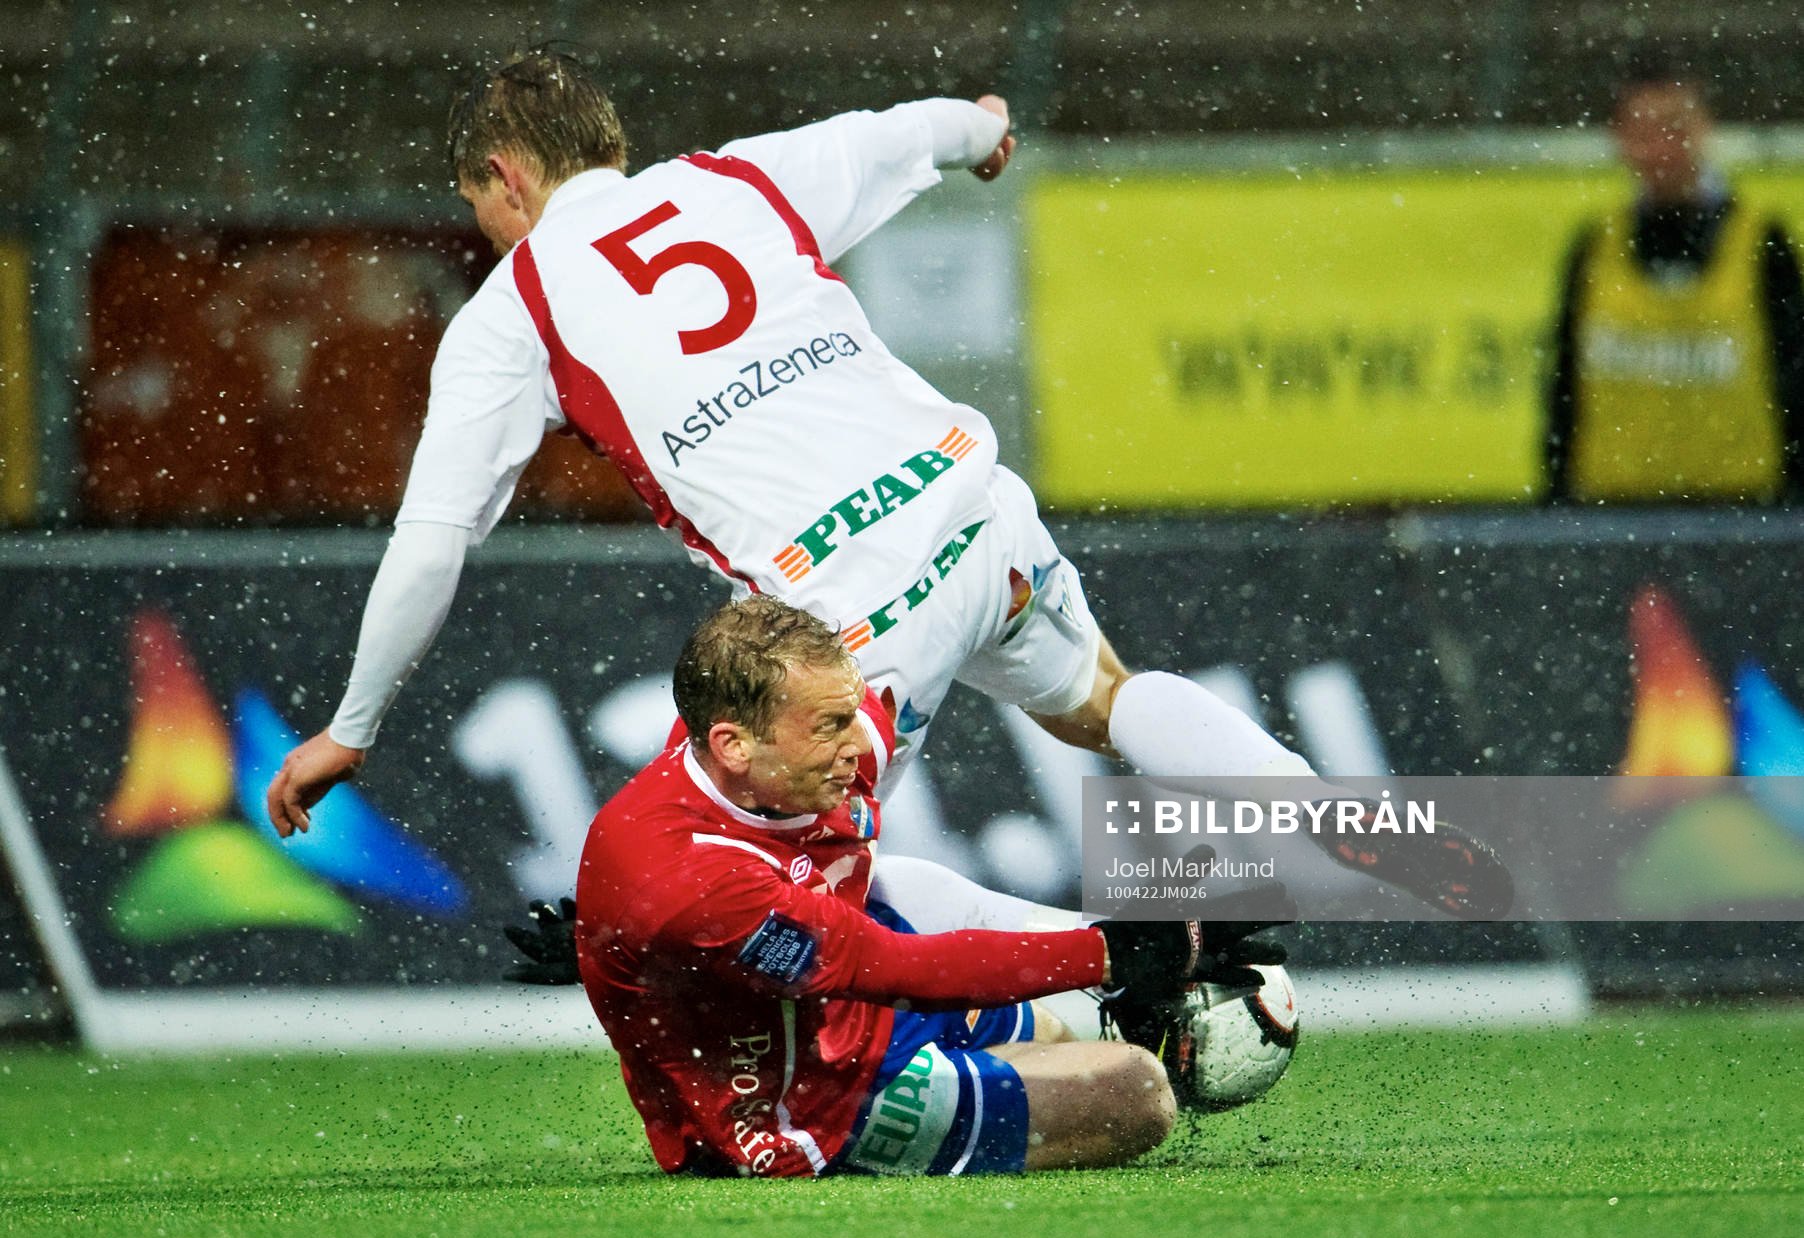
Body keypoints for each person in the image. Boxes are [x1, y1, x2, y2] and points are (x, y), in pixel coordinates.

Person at [263, 45, 1507, 920]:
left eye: (475, 200)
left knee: (795, 893)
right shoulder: (733, 181)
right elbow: (914, 132)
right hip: (968, 500)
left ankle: (1107, 979)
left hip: (848, 610)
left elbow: (432, 545)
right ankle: (1365, 826)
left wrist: (352, 725)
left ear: (507, 177)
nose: (481, 225)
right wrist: (984, 128)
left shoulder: (512, 312)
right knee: (1101, 698)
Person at [545, 596, 1290, 1176]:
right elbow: (895, 971)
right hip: (805, 1105)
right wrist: (1114, 954)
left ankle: (997, 1067)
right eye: (829, 725)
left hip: (849, 1011)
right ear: (732, 744)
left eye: (852, 711)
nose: (859, 747)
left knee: (923, 909)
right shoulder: (691, 879)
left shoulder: (788, 750)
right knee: (1139, 1095)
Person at [1546, 64, 1804, 502]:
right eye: (1642, 131)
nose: (1659, 148)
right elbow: (1564, 387)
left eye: (1673, 129)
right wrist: (1557, 497)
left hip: (1739, 511)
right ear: (1620, 140)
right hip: (1612, 508)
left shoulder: (1761, 243)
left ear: (1703, 131)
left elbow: (1795, 377)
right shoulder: (1595, 246)